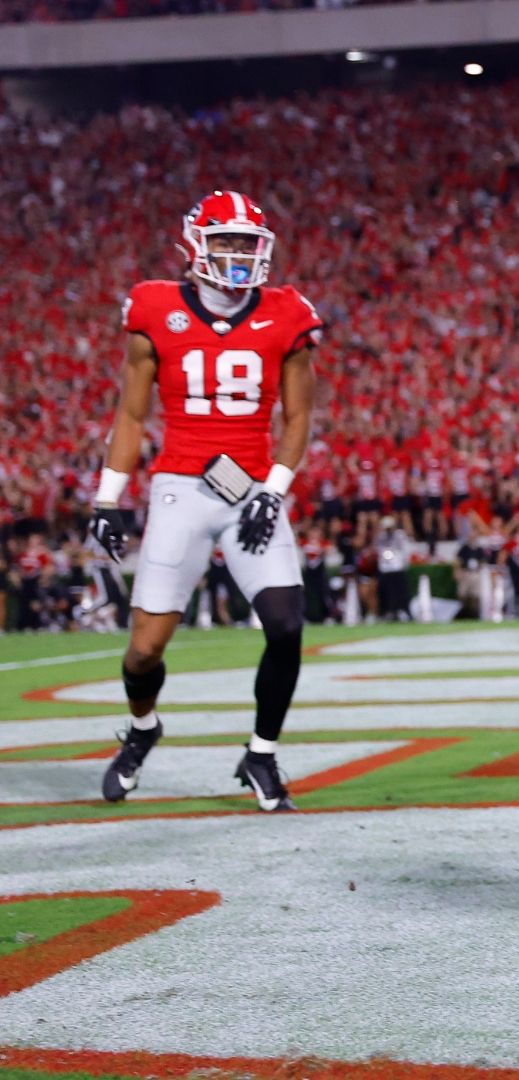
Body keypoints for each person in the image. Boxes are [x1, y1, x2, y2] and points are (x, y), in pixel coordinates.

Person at [87, 191, 321, 812]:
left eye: (248, 242)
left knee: (287, 625)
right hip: (180, 487)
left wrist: (273, 490)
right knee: (145, 648)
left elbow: (299, 419)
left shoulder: (287, 312)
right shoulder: (155, 306)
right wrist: (108, 499)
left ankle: (262, 754)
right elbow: (132, 413)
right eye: (226, 241)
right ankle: (143, 729)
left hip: (251, 491)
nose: (238, 253)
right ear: (196, 244)